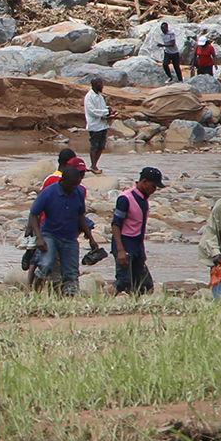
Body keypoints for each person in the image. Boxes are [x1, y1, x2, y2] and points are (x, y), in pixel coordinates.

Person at [28, 158, 91, 296]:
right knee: (46, 265)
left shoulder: (79, 192)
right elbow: (33, 214)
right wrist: (39, 237)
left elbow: (80, 215)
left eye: (76, 184)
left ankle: (69, 298)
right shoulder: (49, 192)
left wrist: (90, 237)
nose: (74, 187)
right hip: (50, 234)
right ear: (63, 181)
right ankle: (35, 292)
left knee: (71, 272)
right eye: (71, 184)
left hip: (69, 238)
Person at [112, 167, 161, 296]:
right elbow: (116, 225)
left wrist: (142, 252)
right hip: (124, 243)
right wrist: (120, 250)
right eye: (153, 186)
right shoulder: (125, 198)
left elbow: (140, 227)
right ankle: (106, 297)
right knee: (124, 281)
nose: (154, 190)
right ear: (144, 182)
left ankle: (133, 302)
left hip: (137, 244)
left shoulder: (144, 199)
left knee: (144, 284)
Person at [83, 76, 114, 173]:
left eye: (102, 83)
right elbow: (92, 111)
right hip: (95, 126)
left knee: (101, 146)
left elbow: (102, 107)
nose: (102, 85)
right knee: (94, 146)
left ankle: (95, 165)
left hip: (103, 125)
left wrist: (109, 110)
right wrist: (106, 112)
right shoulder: (89, 97)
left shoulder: (100, 96)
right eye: (99, 84)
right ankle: (93, 165)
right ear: (93, 85)